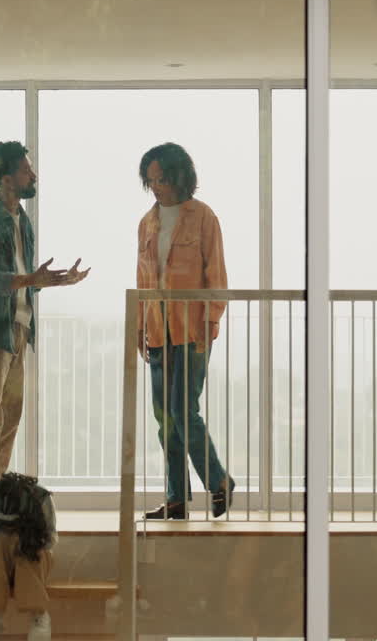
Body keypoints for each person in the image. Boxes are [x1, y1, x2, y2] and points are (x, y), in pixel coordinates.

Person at [0, 141, 89, 499]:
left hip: (19, 328)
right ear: (6, 178)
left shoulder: (22, 219)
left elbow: (23, 278)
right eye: (25, 170)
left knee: (10, 418)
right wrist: (32, 278)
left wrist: (56, 281)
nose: (33, 175)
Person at [136, 142, 236, 520]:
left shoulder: (203, 217)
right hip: (157, 330)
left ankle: (219, 481)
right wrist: (139, 325)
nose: (156, 187)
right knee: (165, 419)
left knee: (182, 410)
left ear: (179, 177)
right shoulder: (147, 222)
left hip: (192, 329)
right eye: (150, 180)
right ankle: (177, 499)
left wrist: (210, 321)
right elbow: (142, 279)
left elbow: (217, 274)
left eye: (161, 179)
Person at [0, 472, 58, 641]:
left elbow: (49, 540)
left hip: (32, 560)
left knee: (28, 543)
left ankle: (38, 615)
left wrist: (24, 539)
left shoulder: (41, 498)